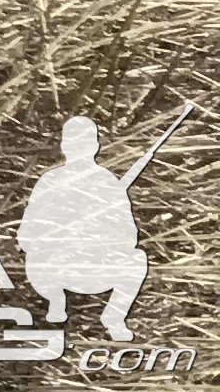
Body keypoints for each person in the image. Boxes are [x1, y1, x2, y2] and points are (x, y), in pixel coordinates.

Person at [20, 116, 149, 342]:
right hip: (63, 269)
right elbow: (26, 236)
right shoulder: (56, 181)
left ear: (64, 146)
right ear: (95, 147)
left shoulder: (103, 183)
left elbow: (128, 236)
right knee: (136, 259)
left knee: (136, 258)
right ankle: (58, 301)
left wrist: (94, 237)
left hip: (74, 270)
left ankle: (106, 316)